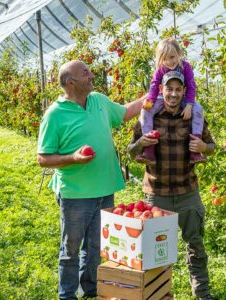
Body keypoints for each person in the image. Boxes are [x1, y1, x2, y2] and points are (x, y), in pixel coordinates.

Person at [37, 60, 144, 300]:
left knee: (96, 247)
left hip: (105, 188)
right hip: (76, 193)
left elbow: (126, 112)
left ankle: (91, 290)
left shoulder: (99, 101)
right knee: (71, 248)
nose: (92, 75)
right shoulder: (54, 114)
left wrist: (155, 90)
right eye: (85, 73)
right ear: (71, 83)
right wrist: (73, 157)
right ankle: (67, 294)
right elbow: (43, 158)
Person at [128, 71, 216, 300]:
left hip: (188, 192)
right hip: (157, 195)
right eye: (169, 89)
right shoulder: (149, 116)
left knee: (196, 246)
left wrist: (203, 148)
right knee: (154, 251)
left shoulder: (193, 117)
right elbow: (130, 152)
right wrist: (141, 143)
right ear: (162, 90)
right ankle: (157, 294)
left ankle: (202, 294)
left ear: (184, 91)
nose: (173, 94)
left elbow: (212, 145)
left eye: (178, 89)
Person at [139, 37, 206, 165]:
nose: (169, 62)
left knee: (198, 110)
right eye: (165, 59)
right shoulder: (160, 69)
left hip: (184, 97)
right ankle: (149, 149)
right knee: (146, 111)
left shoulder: (185, 67)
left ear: (179, 54)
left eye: (172, 57)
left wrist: (189, 106)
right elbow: (154, 86)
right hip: (162, 97)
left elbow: (191, 87)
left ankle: (195, 151)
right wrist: (150, 100)